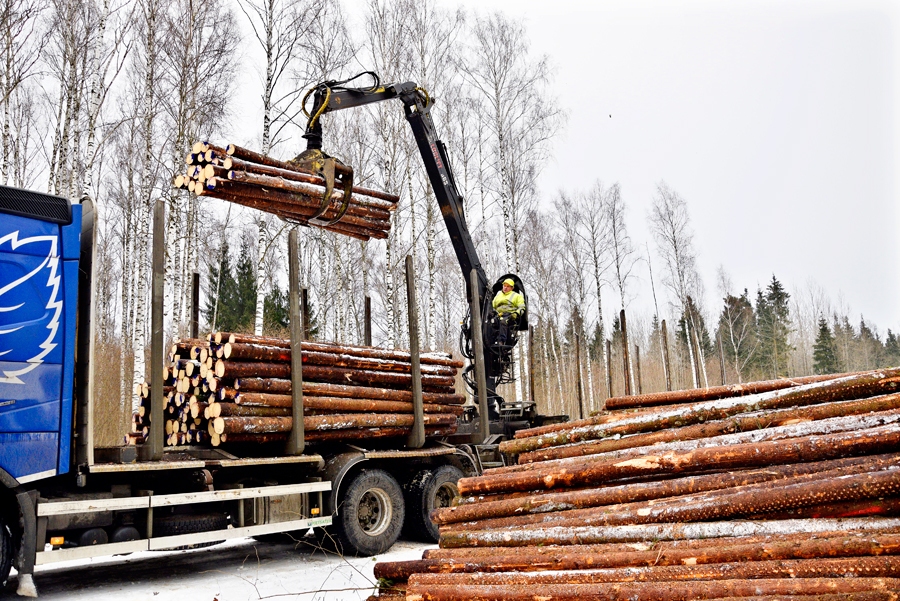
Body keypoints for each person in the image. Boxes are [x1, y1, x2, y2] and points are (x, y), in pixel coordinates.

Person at [492, 278, 525, 345]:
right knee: (490, 323)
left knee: (503, 322)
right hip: (498, 315)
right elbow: (493, 306)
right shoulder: (498, 295)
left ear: (512, 288)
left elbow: (522, 308)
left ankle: (501, 341)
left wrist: (516, 314)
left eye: (508, 286)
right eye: (504, 286)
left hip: (510, 316)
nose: (505, 288)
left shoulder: (517, 296)